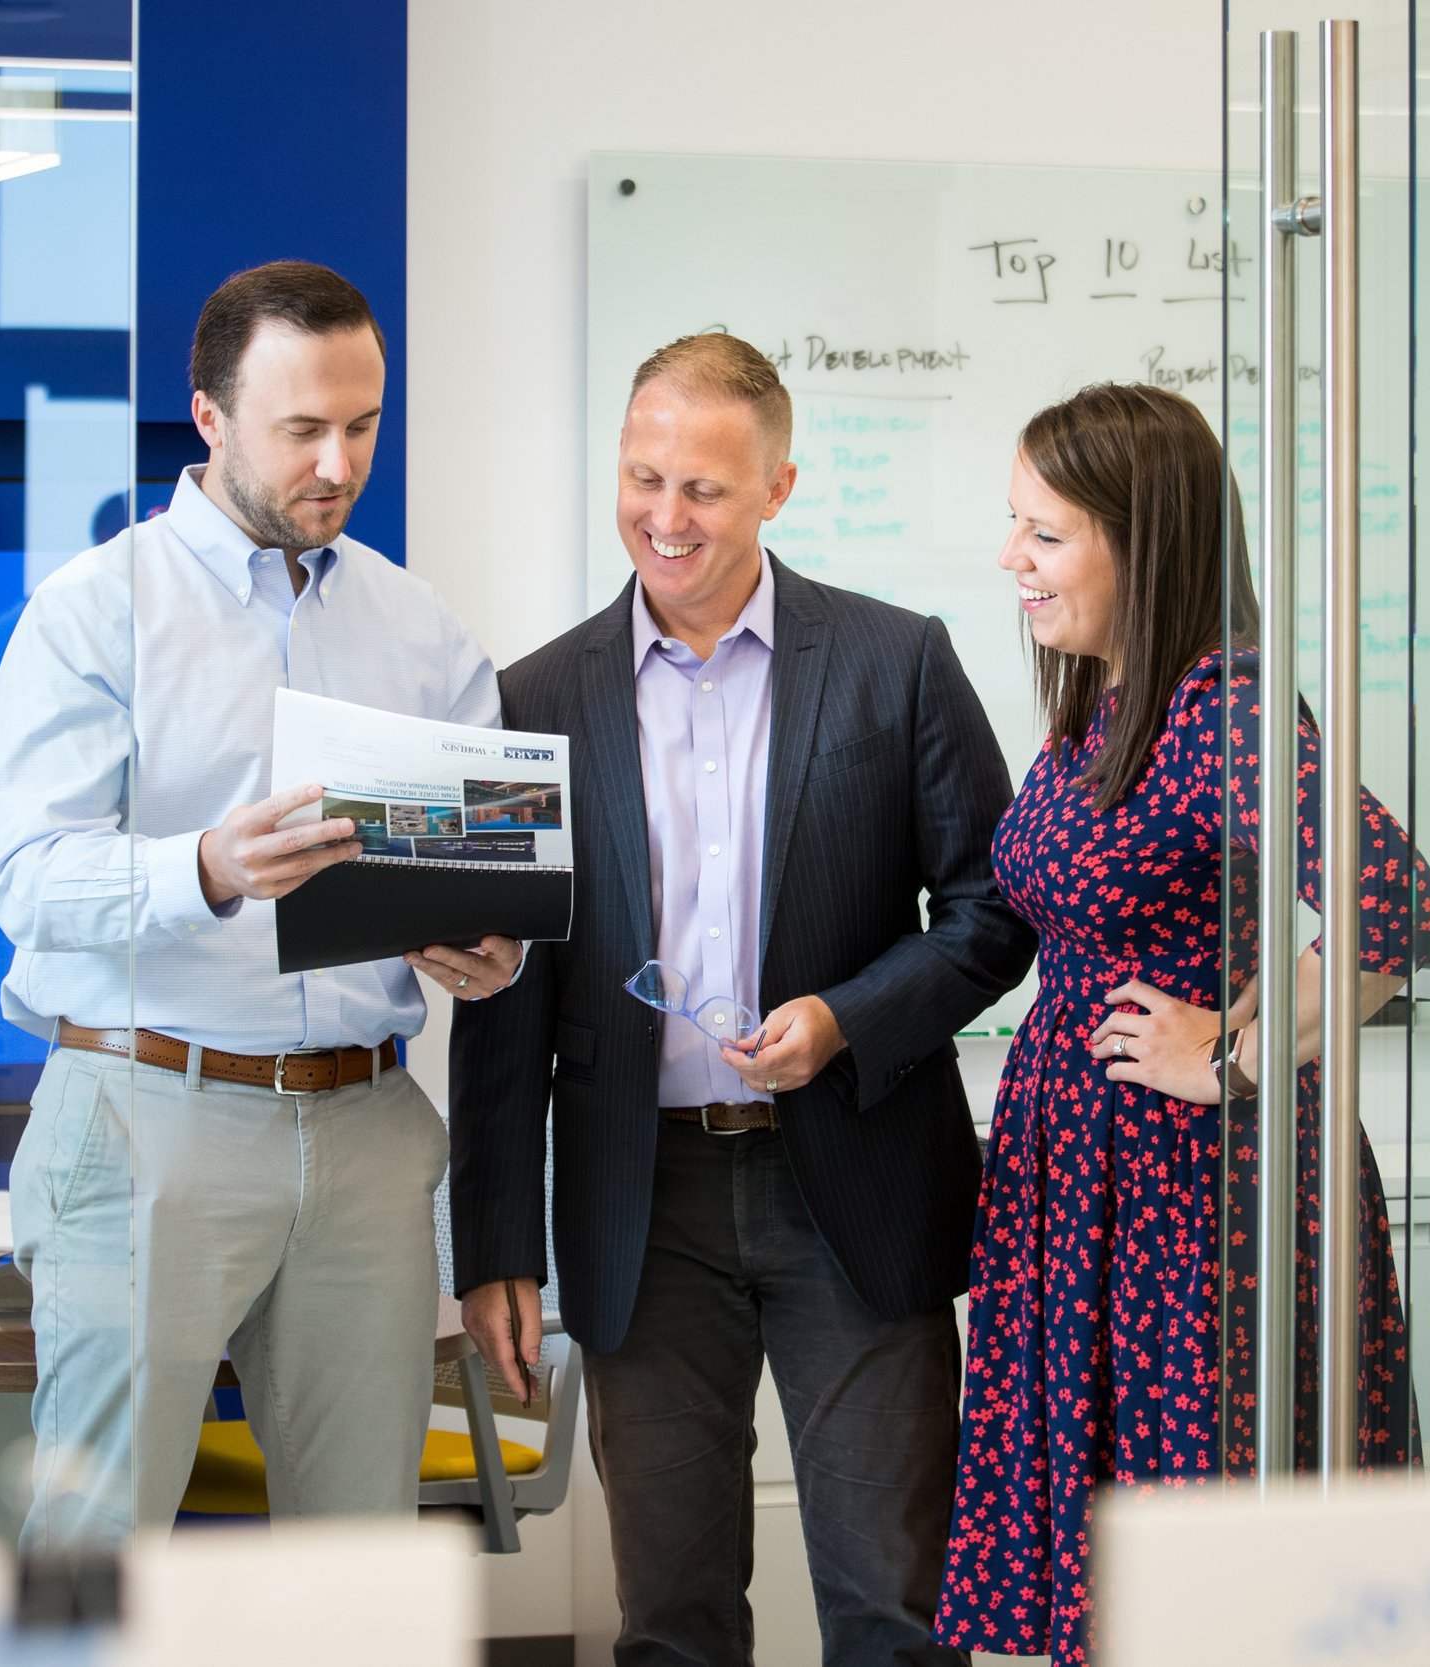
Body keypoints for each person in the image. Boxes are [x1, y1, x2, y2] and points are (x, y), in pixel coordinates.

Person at [451, 332, 1035, 1665]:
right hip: (634, 1203)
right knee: (670, 1619)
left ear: (778, 484)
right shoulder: (532, 698)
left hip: (855, 1187)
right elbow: (505, 992)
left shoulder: (897, 664)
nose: (665, 517)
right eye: (642, 477)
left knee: (894, 1604)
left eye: (704, 489)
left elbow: (996, 912)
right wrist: (495, 1237)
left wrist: (844, 1019)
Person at [0, 260, 522, 1545]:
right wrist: (204, 870)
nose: (337, 462)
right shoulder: (91, 612)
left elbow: (480, 877)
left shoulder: (422, 629)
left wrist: (485, 945)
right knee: (97, 1553)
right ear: (211, 420)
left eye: (363, 425)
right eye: (301, 430)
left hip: (366, 1126)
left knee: (359, 1562)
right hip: (145, 1113)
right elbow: (27, 880)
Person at [932, 382, 1430, 1664]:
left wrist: (1226, 1054)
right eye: (1015, 526)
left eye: (1043, 534)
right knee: (1115, 1554)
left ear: (1139, 540)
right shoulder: (1109, 702)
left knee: (1195, 1549)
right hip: (1082, 1175)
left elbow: (1391, 899)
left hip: (1188, 1192)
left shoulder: (1227, 702)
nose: (1012, 559)